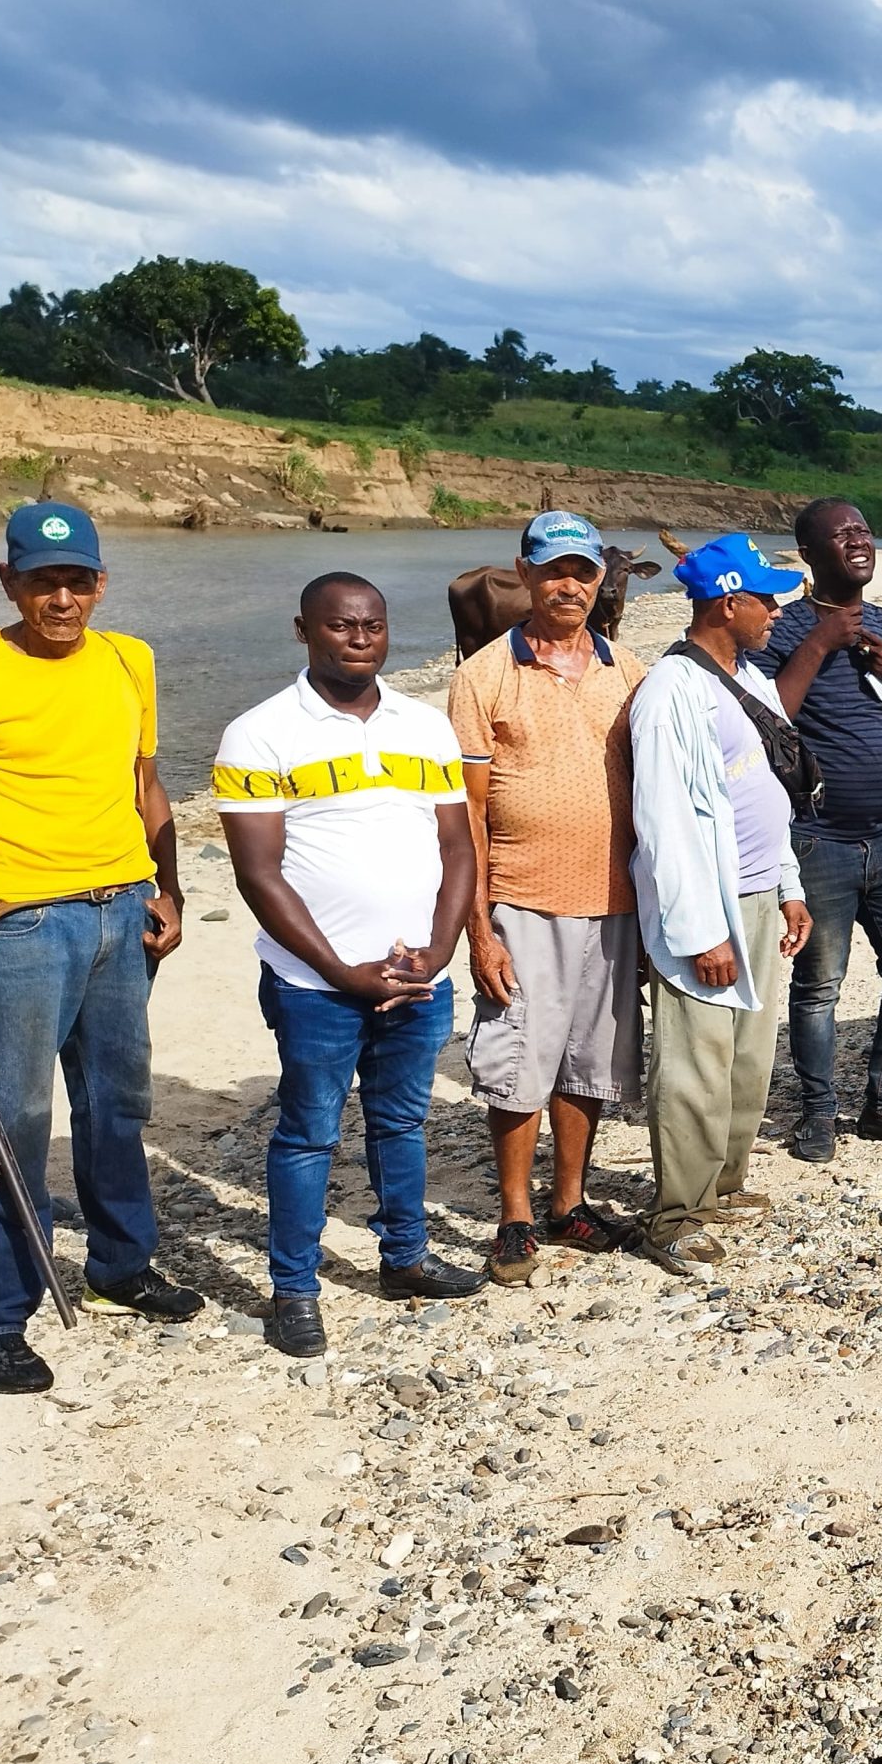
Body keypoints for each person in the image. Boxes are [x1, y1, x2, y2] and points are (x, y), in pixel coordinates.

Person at [215, 574, 486, 1356]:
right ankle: (294, 1290)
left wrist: (440, 949)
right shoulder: (260, 733)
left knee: (401, 1122)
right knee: (307, 1134)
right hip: (315, 987)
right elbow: (258, 875)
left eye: (372, 624)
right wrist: (341, 972)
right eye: (340, 626)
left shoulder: (425, 726)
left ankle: (404, 1257)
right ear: (304, 631)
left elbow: (458, 845)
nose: (359, 637)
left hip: (416, 974)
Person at [0, 503, 201, 1395]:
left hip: (124, 911)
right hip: (24, 924)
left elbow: (146, 782)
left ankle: (120, 1267)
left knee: (119, 1104)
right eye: (44, 581)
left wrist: (171, 887)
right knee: (15, 1122)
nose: (63, 598)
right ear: (11, 584)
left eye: (79, 581)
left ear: (101, 584)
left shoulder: (128, 658)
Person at [447, 510, 648, 1286]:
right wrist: (479, 930)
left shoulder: (627, 671)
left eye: (584, 571)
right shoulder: (483, 675)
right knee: (517, 1062)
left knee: (588, 1064)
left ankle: (569, 1204)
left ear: (600, 579)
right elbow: (465, 813)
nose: (570, 584)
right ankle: (514, 1216)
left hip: (614, 902)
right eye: (554, 569)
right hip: (521, 903)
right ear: (524, 572)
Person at [629, 536, 813, 1276]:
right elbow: (665, 821)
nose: (774, 611)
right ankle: (675, 1214)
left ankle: (722, 1184)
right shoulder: (672, 692)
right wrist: (701, 929)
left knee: (748, 1058)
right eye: (764, 599)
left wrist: (790, 884)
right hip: (709, 900)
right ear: (726, 602)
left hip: (762, 891)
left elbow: (769, 793)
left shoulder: (754, 680)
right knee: (694, 1061)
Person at [755, 499, 882, 1157]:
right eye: (841, 534)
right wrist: (820, 643)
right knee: (819, 985)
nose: (858, 541)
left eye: (864, 531)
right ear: (808, 554)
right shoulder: (780, 631)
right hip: (817, 840)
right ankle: (818, 1113)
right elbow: (767, 723)